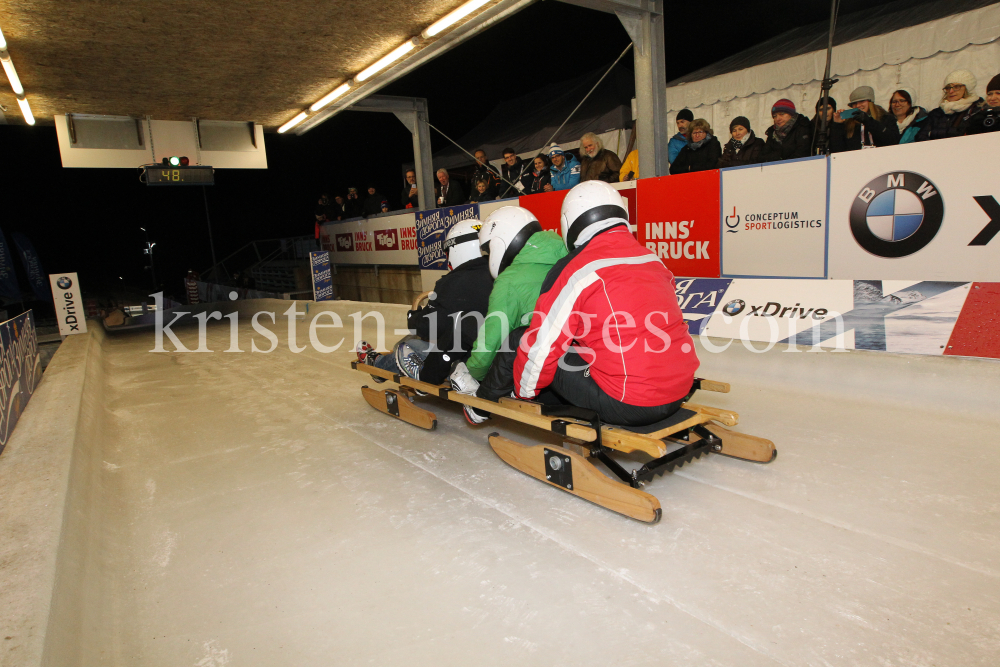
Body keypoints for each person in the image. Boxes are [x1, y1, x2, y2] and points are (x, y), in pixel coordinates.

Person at [471, 181, 699, 426]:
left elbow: (541, 345)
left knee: (520, 338)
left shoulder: (575, 269)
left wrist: (523, 395)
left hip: (628, 401)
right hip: (679, 389)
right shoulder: (652, 259)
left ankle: (479, 407)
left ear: (570, 223)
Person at [448, 207, 568, 423]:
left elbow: (492, 337)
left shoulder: (511, 280)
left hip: (543, 380)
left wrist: (473, 371)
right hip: (579, 363)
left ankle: (481, 407)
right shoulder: (567, 254)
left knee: (514, 342)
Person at [356, 219, 493, 385]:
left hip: (466, 364)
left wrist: (413, 316)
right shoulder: (500, 275)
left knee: (409, 344)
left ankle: (379, 366)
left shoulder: (452, 282)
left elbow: (428, 328)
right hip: (495, 359)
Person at [917, 70, 986, 141]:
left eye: (957, 87)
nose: (951, 91)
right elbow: (920, 137)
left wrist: (932, 134)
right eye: (948, 88)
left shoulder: (978, 109)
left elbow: (969, 135)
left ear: (967, 89)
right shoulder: (936, 113)